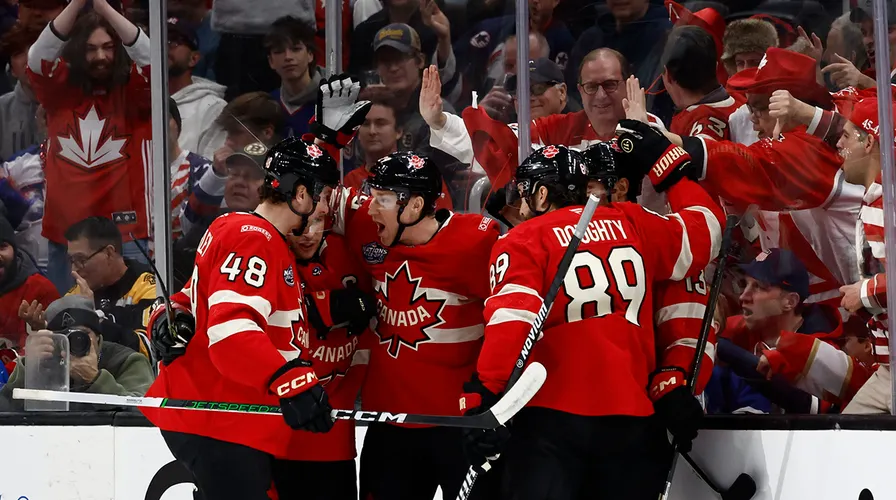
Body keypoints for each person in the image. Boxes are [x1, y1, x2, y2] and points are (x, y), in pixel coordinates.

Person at [142, 75, 371, 500]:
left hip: (226, 419)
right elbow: (232, 335)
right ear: (301, 195)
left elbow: (187, 302)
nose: (327, 206)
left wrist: (167, 319)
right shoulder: (254, 238)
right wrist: (294, 382)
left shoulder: (250, 231)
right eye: (322, 196)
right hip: (219, 417)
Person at [460, 134, 723, 499]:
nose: (520, 210)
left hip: (551, 423)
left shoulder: (522, 239)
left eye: (523, 196)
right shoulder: (633, 221)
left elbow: (513, 325)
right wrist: (672, 172)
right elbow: (707, 231)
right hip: (633, 420)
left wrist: (486, 398)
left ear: (540, 195)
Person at [326, 150, 499, 499]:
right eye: (372, 197)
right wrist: (328, 140)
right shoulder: (370, 226)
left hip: (460, 426)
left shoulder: (476, 244)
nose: (372, 208)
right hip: (389, 425)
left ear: (416, 205)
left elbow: (512, 317)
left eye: (383, 200)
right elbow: (314, 198)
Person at [28, 0, 153, 294]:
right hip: (66, 237)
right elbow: (37, 58)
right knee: (66, 322)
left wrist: (105, 8)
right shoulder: (58, 90)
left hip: (125, 235)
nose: (101, 56)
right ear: (76, 51)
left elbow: (151, 60)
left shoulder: (135, 92)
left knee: (135, 321)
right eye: (91, 48)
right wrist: (78, 3)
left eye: (108, 47)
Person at [275, 215, 377, 500]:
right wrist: (326, 306)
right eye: (299, 224)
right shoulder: (268, 249)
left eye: (317, 221)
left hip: (335, 437)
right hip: (276, 434)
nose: (308, 233)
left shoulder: (350, 251)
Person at [0, 295, 154, 411]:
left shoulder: (126, 361)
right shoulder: (46, 361)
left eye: (83, 334)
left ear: (98, 337)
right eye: (64, 336)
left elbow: (144, 412)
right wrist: (31, 367)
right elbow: (7, 408)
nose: (73, 341)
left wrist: (96, 379)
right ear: (52, 338)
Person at [168, 16, 227, 160]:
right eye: (157, 41)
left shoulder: (213, 107)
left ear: (194, 58)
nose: (163, 47)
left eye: (173, 42)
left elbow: (210, 170)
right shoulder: (138, 101)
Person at [0, 216, 58, 347]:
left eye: (2, 247)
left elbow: (58, 349)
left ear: (15, 249)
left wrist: (39, 328)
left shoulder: (40, 288)